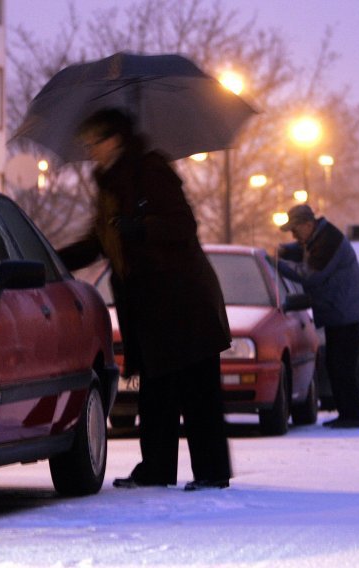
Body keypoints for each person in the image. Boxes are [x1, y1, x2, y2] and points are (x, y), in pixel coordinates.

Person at [57, 108, 232, 491]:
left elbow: (182, 225)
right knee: (157, 392)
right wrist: (53, 259)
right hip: (149, 307)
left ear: (115, 139)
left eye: (95, 142)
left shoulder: (151, 171)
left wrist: (142, 226)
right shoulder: (109, 186)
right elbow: (97, 242)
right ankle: (156, 467)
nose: (91, 151)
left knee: (197, 390)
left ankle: (212, 472)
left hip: (183, 302)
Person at [277, 204, 359, 428]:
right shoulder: (320, 238)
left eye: (296, 230)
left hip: (344, 313)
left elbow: (312, 276)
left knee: (342, 366)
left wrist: (279, 264)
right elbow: (305, 251)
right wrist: (286, 250)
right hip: (338, 312)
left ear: (309, 224)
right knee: (336, 364)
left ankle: (354, 416)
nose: (294, 235)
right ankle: (348, 413)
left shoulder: (329, 242)